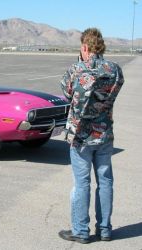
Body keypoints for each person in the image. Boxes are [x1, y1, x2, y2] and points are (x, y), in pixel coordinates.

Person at [58, 28, 124, 244]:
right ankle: (105, 229)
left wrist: (81, 63)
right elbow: (111, 94)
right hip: (104, 135)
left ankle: (81, 231)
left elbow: (67, 93)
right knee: (105, 182)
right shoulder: (115, 71)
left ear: (85, 47)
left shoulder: (75, 70)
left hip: (80, 137)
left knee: (82, 183)